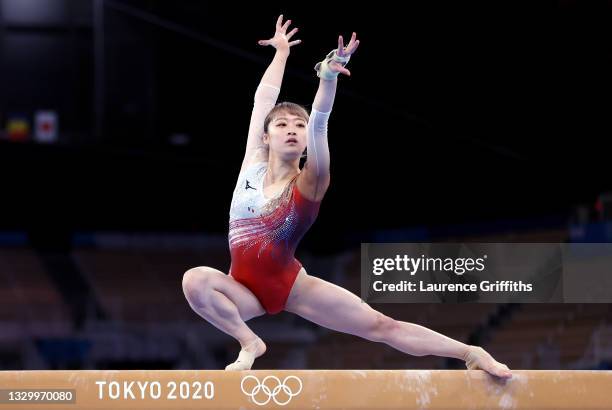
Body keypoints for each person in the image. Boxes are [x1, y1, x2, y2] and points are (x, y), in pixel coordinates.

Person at [182, 15, 512, 378]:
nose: (292, 130)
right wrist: (281, 53)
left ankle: (471, 351)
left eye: (299, 126)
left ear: (306, 139)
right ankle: (250, 342)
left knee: (382, 326)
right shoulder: (252, 163)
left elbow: (321, 120)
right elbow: (264, 100)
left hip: (291, 286)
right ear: (266, 136)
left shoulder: (310, 181)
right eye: (282, 125)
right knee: (195, 280)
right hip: (240, 290)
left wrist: (327, 77)